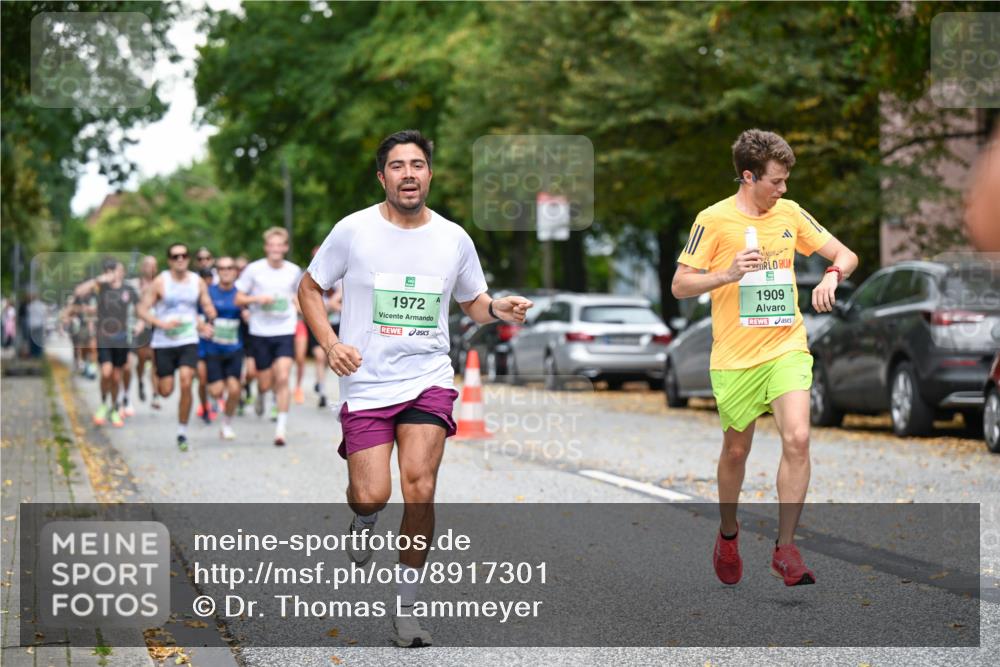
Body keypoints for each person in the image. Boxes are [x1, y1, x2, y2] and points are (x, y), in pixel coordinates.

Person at [299, 129, 532, 647]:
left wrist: (498, 309)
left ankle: (407, 609)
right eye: (398, 166)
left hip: (427, 378)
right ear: (382, 177)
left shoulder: (453, 238)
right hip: (365, 383)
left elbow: (474, 301)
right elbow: (310, 288)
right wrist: (331, 343)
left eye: (418, 164)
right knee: (370, 494)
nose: (409, 173)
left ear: (430, 174)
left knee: (420, 487)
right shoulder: (353, 231)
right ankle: (363, 519)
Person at [671, 128, 859, 587]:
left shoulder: (790, 214)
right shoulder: (713, 221)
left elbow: (846, 254)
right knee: (737, 450)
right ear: (748, 176)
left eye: (786, 179)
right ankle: (728, 534)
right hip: (735, 356)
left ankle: (786, 548)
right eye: (776, 181)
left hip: (785, 346)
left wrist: (831, 275)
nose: (784, 189)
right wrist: (727, 273)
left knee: (797, 439)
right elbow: (680, 284)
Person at [137, 243, 217, 451]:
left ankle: (182, 431)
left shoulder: (197, 282)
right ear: (169, 260)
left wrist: (209, 316)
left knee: (186, 380)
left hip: (188, 339)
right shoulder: (160, 282)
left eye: (183, 255)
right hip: (164, 341)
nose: (180, 259)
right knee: (166, 391)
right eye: (175, 256)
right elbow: (142, 309)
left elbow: (206, 303)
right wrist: (161, 324)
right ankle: (154, 374)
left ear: (188, 258)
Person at [235, 228, 302, 446]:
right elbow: (238, 298)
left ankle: (280, 429)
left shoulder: (293, 271)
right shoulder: (254, 270)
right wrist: (256, 299)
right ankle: (262, 394)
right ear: (266, 248)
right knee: (264, 382)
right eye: (271, 245)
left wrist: (302, 309)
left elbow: (298, 296)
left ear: (285, 247)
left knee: (283, 377)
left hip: (284, 329)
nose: (275, 249)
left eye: (279, 245)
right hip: (260, 331)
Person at [74, 259, 142, 428]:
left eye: (116, 269)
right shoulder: (101, 287)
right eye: (109, 270)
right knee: (106, 373)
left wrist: (140, 323)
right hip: (104, 337)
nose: (113, 273)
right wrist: (98, 280)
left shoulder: (128, 289)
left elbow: (140, 309)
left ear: (122, 271)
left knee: (116, 376)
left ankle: (114, 408)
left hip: (121, 338)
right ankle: (103, 404)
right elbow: (79, 292)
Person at [200, 256, 244, 440]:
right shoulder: (207, 293)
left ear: (235, 271)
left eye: (229, 268)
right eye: (222, 268)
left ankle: (226, 424)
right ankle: (213, 400)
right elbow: (195, 314)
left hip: (234, 348)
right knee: (216, 391)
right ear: (217, 272)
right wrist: (202, 325)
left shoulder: (241, 294)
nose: (226, 271)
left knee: (234, 389)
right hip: (212, 349)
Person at [133, 255, 160, 409]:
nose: (150, 268)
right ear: (142, 267)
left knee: (156, 362)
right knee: (142, 360)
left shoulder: (160, 283)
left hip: (156, 326)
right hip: (141, 328)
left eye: (153, 265)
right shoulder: (136, 285)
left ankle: (155, 395)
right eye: (147, 265)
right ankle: (140, 381)